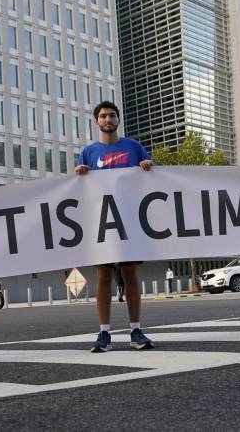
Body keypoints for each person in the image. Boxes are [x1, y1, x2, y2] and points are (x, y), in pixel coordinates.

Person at [75, 101, 154, 352]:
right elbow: (81, 189)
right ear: (97, 121)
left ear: (118, 120)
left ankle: (136, 330)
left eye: (111, 115)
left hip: (130, 220)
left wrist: (147, 167)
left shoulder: (134, 147)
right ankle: (104, 333)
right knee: (103, 276)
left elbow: (152, 180)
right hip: (102, 221)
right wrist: (80, 173)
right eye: (103, 116)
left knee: (130, 274)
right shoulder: (88, 152)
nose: (107, 119)